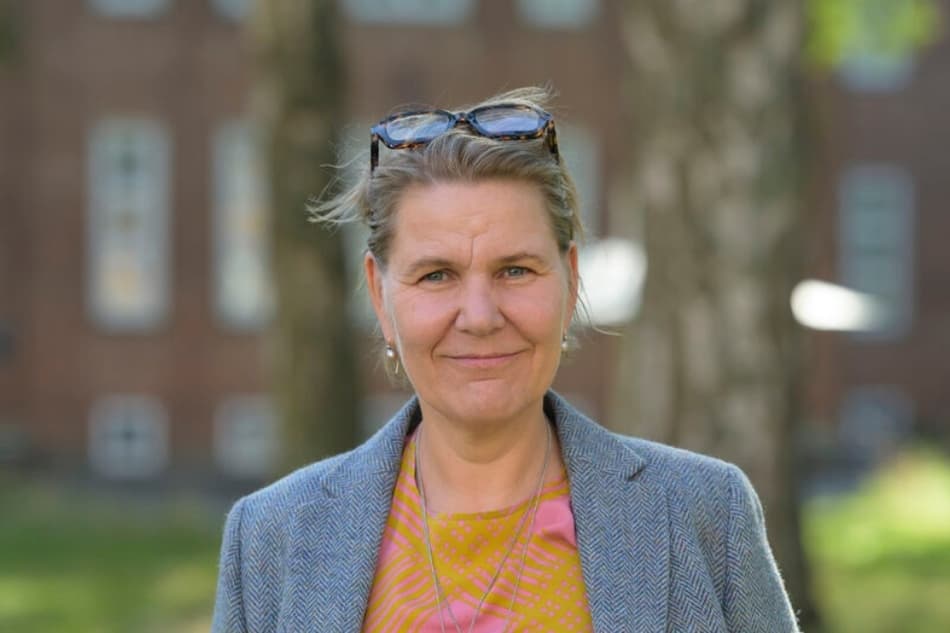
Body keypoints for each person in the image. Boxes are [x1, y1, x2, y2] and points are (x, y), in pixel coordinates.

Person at [211, 87, 800, 632]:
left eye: (515, 270)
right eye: (436, 275)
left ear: (570, 281)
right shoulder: (271, 539)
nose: (480, 316)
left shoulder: (704, 513)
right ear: (379, 296)